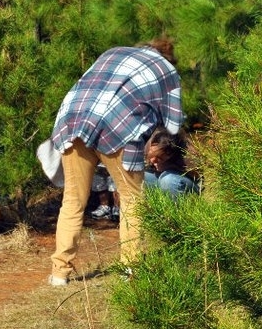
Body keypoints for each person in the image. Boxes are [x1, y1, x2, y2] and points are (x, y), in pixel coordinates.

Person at [41, 37, 184, 286]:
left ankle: (59, 273)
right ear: (169, 58)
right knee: (132, 200)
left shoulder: (114, 51)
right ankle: (130, 269)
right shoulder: (166, 71)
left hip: (73, 120)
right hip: (118, 127)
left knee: (73, 200)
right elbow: (173, 124)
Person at [143, 126, 200, 197]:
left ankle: (180, 207)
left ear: (170, 153)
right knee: (139, 177)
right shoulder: (145, 141)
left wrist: (168, 166)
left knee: (168, 180)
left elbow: (197, 175)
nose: (153, 160)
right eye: (151, 155)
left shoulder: (185, 153)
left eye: (159, 157)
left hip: (183, 183)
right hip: (160, 180)